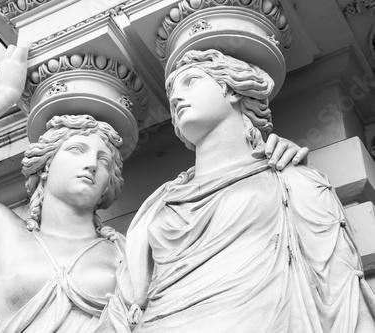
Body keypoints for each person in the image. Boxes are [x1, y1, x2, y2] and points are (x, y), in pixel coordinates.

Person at [0, 44, 308, 332]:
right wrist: (4, 96)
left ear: (112, 183)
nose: (93, 162)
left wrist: (267, 161)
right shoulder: (0, 233)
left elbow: (217, 261)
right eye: (77, 150)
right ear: (45, 166)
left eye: (105, 159)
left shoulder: (135, 244)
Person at [98, 49, 375, 332]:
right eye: (170, 97)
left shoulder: (292, 180)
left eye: (190, 81)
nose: (176, 98)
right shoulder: (158, 204)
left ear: (230, 90)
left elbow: (340, 288)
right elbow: (124, 305)